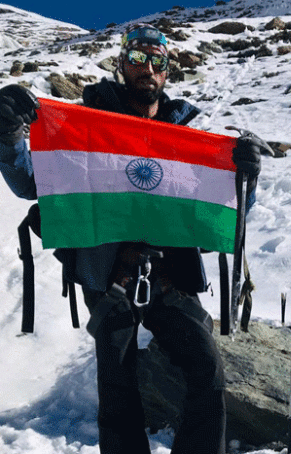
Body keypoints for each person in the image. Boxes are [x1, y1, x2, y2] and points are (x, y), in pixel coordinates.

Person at [0, 23, 267, 454]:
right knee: (117, 385)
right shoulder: (87, 126)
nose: (148, 69)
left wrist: (246, 179)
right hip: (108, 273)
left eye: (157, 61)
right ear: (122, 64)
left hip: (172, 273)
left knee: (207, 370)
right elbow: (33, 182)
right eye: (138, 59)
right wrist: (9, 135)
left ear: (167, 71)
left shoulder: (186, 136)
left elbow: (229, 212)